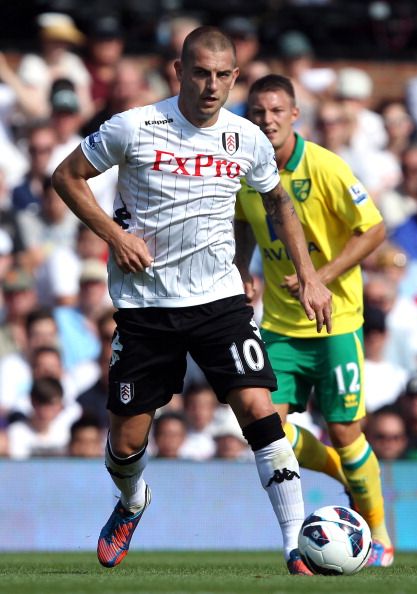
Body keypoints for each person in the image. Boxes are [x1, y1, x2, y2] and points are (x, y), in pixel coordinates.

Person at [51, 26, 332, 575]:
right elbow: (67, 176)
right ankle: (132, 502)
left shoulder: (246, 138)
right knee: (126, 438)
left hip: (219, 302)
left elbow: (278, 203)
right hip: (145, 306)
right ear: (179, 71)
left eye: (223, 75)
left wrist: (309, 274)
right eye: (200, 72)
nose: (211, 85)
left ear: (234, 77)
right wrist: (115, 236)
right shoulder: (135, 126)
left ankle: (295, 544)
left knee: (258, 411)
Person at [235, 74, 394, 567]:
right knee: (266, 428)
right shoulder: (246, 172)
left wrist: (318, 276)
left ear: (294, 114)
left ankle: (380, 536)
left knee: (347, 431)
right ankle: (350, 482)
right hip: (281, 325)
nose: (267, 121)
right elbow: (242, 221)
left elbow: (374, 230)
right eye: (258, 112)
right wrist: (242, 269)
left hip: (336, 322)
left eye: (277, 111)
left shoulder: (325, 166)